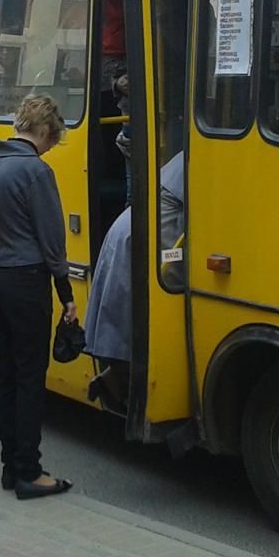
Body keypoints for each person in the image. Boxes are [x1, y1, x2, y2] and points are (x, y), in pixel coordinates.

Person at [0, 93, 76, 500]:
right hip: (28, 281)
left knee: (6, 372)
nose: (50, 148)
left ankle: (9, 465)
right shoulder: (35, 171)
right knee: (31, 376)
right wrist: (65, 292)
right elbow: (52, 239)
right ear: (45, 130)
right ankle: (30, 473)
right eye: (53, 140)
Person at [84, 153, 186, 411]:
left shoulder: (186, 156)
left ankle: (115, 378)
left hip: (130, 229)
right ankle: (129, 389)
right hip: (144, 238)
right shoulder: (205, 160)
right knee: (146, 317)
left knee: (125, 316)